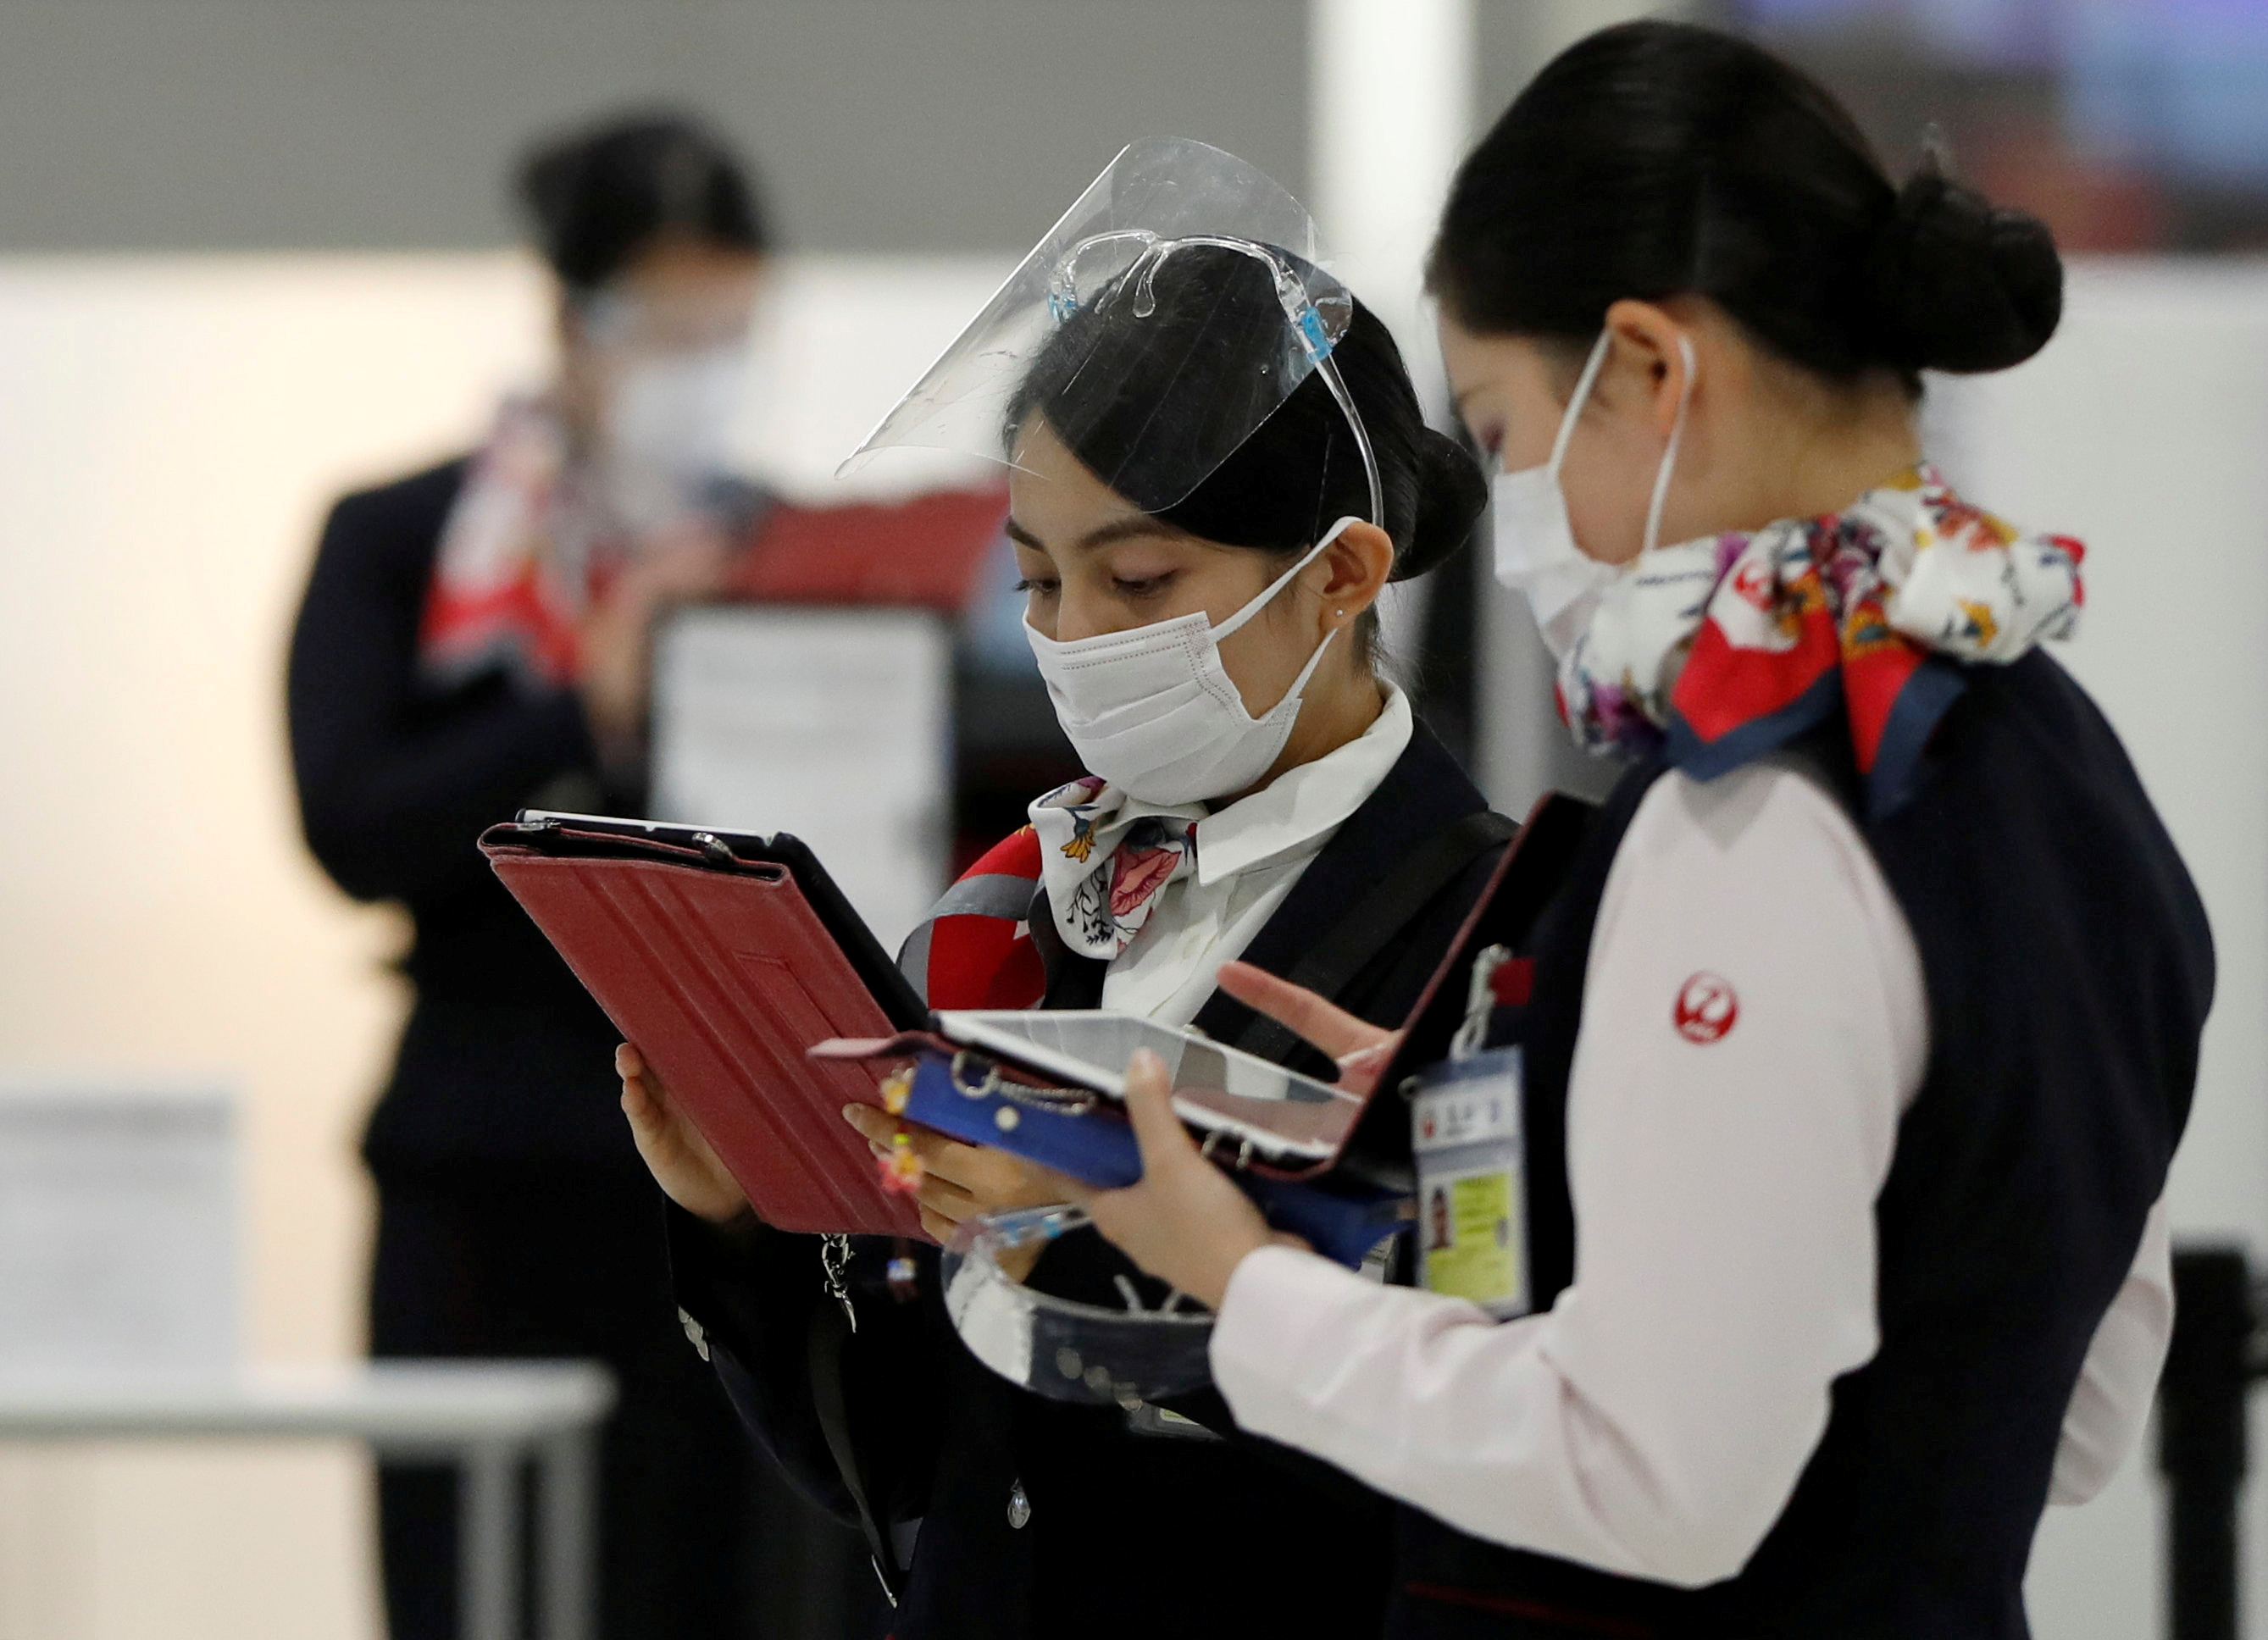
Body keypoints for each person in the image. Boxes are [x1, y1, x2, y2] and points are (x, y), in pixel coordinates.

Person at [1070, 25, 2215, 1640]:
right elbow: (2079, 1410)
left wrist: (1236, 1279)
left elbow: (1654, 1480)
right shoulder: (2061, 772)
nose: (1511, 505)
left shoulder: (1756, 818)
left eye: (1505, 430)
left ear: (1650, 369)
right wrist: (1519, 1117)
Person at [617, 139, 1497, 1640]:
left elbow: (1490, 1434)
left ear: (1343, 575)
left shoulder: (1489, 931)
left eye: (1138, 583)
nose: (1076, 635)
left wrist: (1111, 1248)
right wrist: (751, 1220)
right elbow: (910, 1473)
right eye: (1034, 580)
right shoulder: (1012, 917)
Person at [287, 110, 776, 1640]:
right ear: (567, 316)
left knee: (702, 1572)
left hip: (715, 1162)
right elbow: (353, 823)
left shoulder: (772, 550)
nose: (699, 366)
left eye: (732, 330)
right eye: (665, 327)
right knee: (465, 1577)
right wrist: (580, 699)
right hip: (480, 1160)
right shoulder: (406, 540)